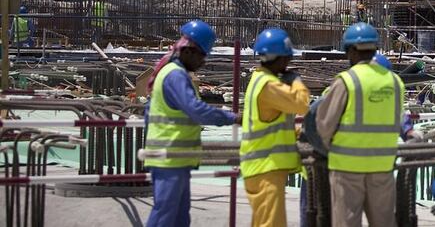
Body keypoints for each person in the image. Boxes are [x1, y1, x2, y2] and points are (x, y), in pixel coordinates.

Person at [143, 20, 239, 227]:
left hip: (176, 158)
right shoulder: (175, 76)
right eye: (203, 56)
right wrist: (232, 118)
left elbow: (149, 111)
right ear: (189, 51)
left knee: (178, 216)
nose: (203, 62)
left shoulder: (171, 73)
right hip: (169, 158)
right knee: (165, 215)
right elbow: (195, 110)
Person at [315, 22, 405, 227]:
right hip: (383, 166)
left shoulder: (347, 80)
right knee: (384, 222)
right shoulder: (395, 82)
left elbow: (324, 124)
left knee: (346, 222)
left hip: (347, 167)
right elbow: (399, 120)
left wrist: (328, 147)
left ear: (352, 51)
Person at [241, 28, 309, 227]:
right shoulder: (269, 85)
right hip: (266, 169)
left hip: (259, 167)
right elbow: (301, 103)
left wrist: (295, 133)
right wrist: (296, 81)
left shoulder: (257, 79)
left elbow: (272, 123)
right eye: (287, 59)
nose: (288, 64)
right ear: (278, 58)